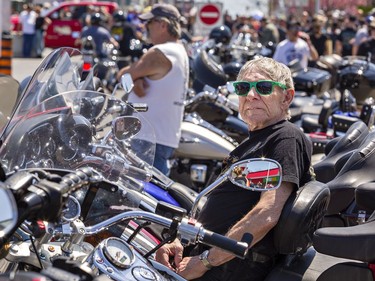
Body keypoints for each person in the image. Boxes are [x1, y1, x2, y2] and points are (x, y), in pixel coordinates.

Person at [155, 57, 313, 281]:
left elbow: (267, 213)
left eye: (263, 87)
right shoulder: (257, 139)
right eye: (243, 88)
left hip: (231, 269)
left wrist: (205, 261)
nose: (250, 95)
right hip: (210, 257)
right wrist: (181, 241)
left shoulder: (285, 137)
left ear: (287, 97)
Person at [116, 3, 189, 176]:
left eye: (149, 23)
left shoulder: (161, 52)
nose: (145, 27)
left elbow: (122, 77)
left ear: (163, 24)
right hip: (159, 138)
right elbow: (128, 80)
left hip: (147, 139)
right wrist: (135, 80)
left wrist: (132, 78)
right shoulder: (178, 50)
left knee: (138, 199)